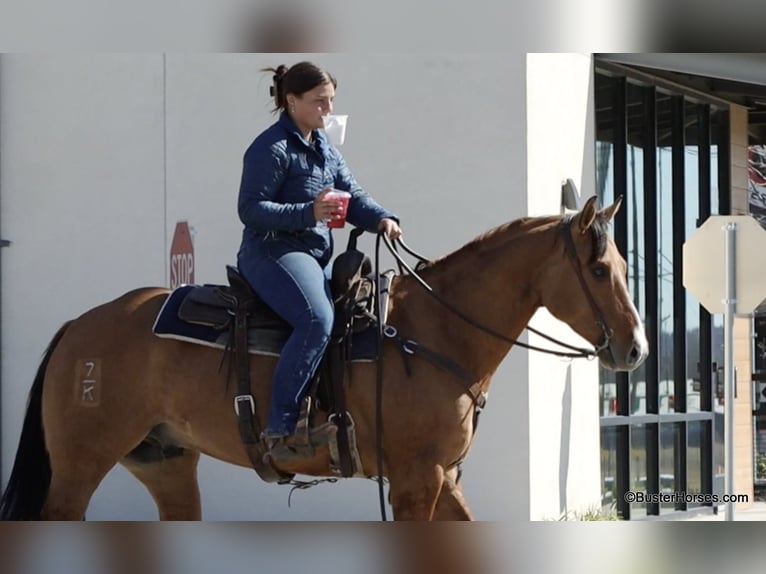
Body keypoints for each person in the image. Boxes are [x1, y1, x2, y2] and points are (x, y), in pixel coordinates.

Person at [236, 61, 402, 463]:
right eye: (319, 102)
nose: (327, 110)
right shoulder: (269, 148)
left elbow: (353, 194)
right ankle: (281, 425)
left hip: (314, 254)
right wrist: (309, 213)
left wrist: (382, 217)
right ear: (291, 101)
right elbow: (251, 209)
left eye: (331, 102)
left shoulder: (326, 149)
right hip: (272, 252)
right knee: (317, 319)